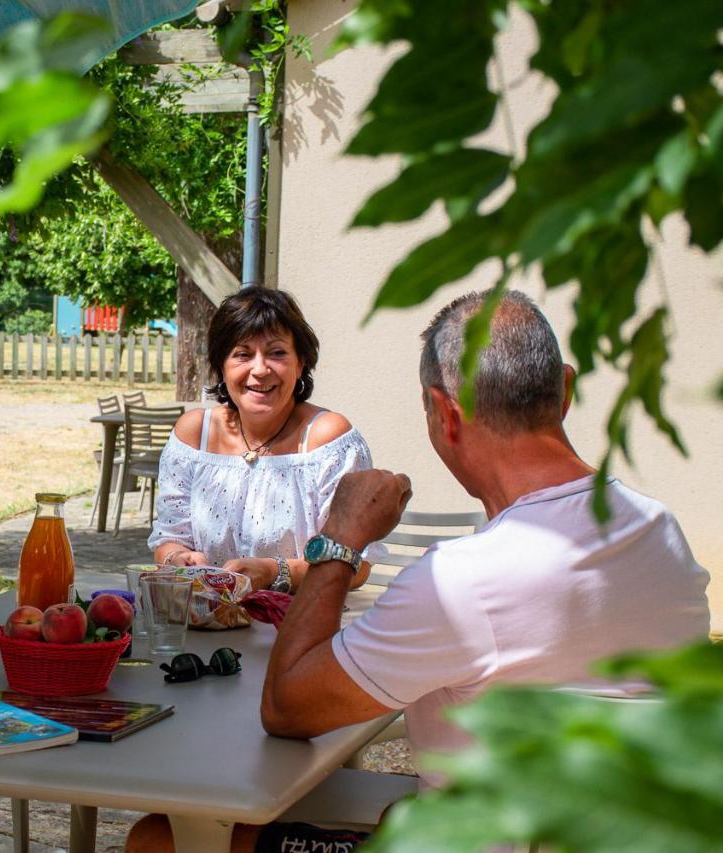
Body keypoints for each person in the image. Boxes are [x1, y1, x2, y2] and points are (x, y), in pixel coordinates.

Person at [128, 289, 711, 852]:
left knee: (157, 838)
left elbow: (287, 709)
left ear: (443, 414)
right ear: (564, 390)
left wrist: (342, 539)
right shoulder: (660, 530)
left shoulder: (461, 583)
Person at [148, 287, 383, 593]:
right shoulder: (193, 435)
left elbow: (355, 565)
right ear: (221, 366)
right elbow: (169, 539)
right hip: (209, 621)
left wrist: (275, 572)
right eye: (243, 354)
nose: (260, 370)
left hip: (300, 625)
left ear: (300, 364)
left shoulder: (328, 441)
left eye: (277, 353)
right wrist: (178, 558)